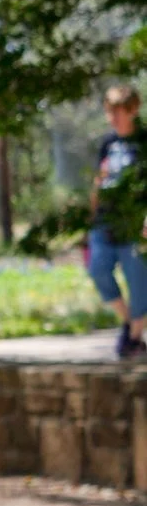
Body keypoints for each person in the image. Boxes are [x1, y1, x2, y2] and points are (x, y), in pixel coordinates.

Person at [82, 83, 147, 360]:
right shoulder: (108, 143)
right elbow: (99, 180)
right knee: (98, 270)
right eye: (110, 112)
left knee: (139, 281)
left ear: (134, 110)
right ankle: (128, 323)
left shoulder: (144, 142)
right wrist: (90, 216)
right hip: (105, 222)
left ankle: (133, 339)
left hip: (135, 224)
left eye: (119, 111)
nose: (114, 118)